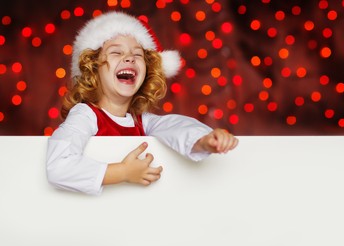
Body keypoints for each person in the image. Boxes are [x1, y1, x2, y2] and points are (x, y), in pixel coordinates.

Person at [46, 11, 238, 195]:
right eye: (116, 52)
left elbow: (175, 127)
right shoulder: (85, 114)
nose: (129, 57)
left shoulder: (141, 122)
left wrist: (204, 140)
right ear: (93, 68)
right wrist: (122, 172)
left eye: (137, 55)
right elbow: (59, 165)